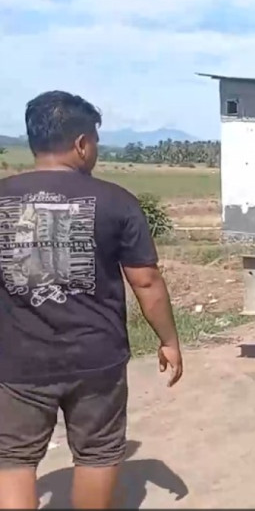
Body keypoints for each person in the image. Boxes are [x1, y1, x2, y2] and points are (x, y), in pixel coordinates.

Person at [0, 91, 183, 509]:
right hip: (95, 359)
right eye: (95, 140)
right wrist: (169, 341)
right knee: (97, 453)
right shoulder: (117, 201)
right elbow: (147, 282)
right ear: (82, 144)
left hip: (17, 361)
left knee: (13, 458)